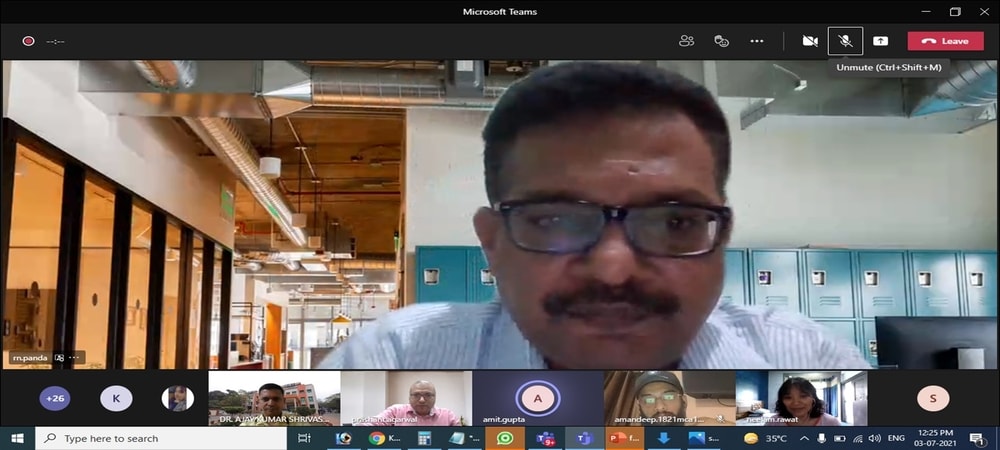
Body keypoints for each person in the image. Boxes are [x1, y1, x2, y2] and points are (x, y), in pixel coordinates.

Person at [319, 61, 872, 370]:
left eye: (674, 222)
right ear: (492, 242)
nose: (613, 268)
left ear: (721, 237)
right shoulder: (393, 362)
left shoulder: (810, 364)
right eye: (554, 219)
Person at [359, 381, 461, 426]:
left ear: (435, 397)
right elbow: (373, 423)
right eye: (416, 395)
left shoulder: (448, 416)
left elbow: (460, 441)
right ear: (409, 398)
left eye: (427, 395)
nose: (422, 400)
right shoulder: (395, 412)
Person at [766, 377, 841, 426]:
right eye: (788, 397)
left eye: (803, 396)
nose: (796, 403)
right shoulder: (773, 422)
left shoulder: (831, 423)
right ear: (782, 401)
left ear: (813, 398)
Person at [240, 383, 310, 427]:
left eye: (276, 399)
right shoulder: (247, 425)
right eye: (265, 399)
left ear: (283, 401)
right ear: (258, 402)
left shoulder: (299, 423)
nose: (271, 404)